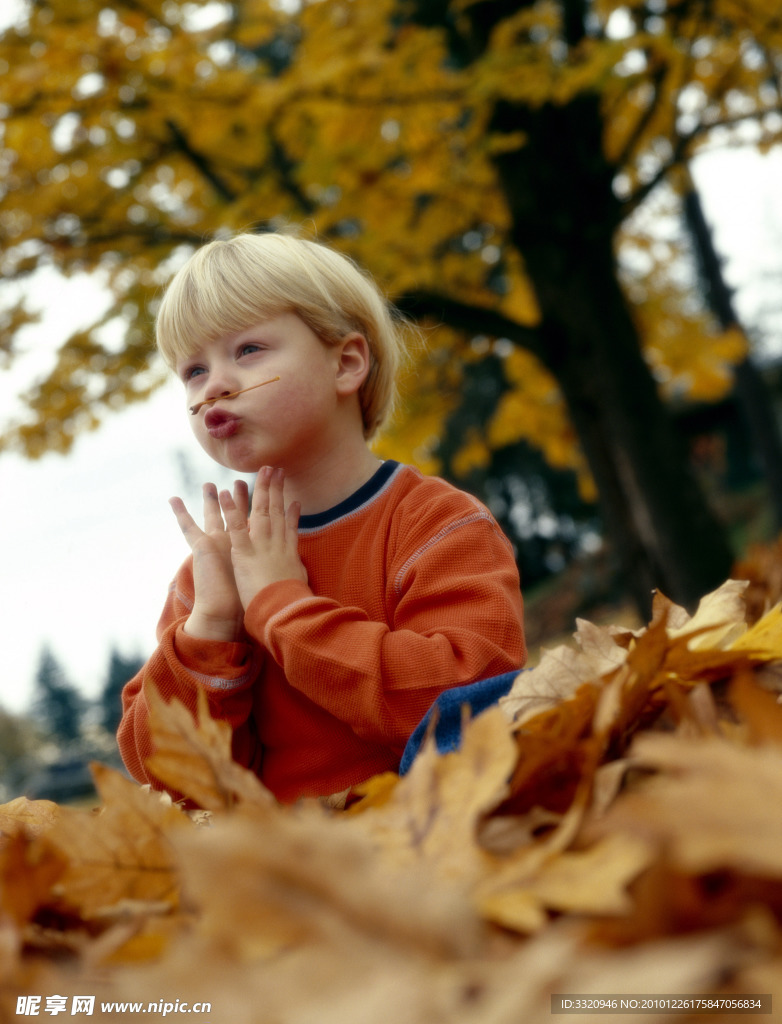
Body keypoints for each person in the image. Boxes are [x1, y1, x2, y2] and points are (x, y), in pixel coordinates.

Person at [118, 230, 526, 805]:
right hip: (290, 867)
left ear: (346, 363)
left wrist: (282, 607)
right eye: (192, 372)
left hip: (435, 833)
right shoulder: (209, 574)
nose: (215, 388)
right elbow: (166, 774)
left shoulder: (437, 523)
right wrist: (209, 630)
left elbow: (467, 701)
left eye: (247, 350)